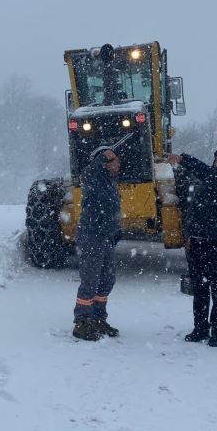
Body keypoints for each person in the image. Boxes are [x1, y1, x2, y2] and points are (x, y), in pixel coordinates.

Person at [166, 144, 217, 347]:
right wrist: (190, 234)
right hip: (199, 239)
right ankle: (200, 328)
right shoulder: (209, 179)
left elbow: (208, 174)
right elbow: (197, 209)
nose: (216, 160)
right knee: (200, 287)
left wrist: (184, 159)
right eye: (216, 157)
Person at [72, 146, 122, 341]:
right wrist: (102, 157)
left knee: (107, 279)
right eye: (114, 160)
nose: (118, 163)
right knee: (90, 280)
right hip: (92, 235)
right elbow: (88, 170)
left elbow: (112, 209)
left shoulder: (110, 182)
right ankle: (82, 322)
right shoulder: (93, 178)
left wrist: (116, 230)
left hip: (106, 236)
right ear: (104, 163)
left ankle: (98, 318)